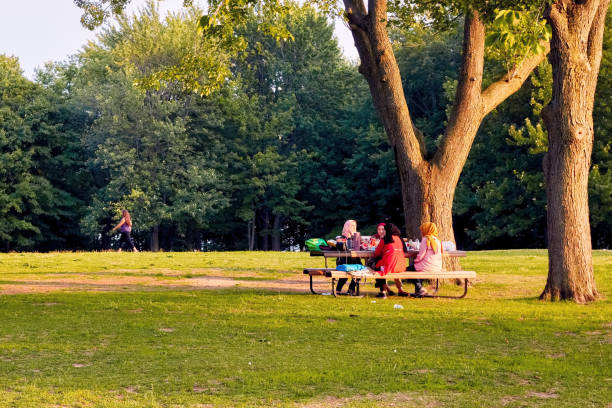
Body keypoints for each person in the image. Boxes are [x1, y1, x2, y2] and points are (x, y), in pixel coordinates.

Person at [373, 223, 410, 298]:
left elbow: (376, 253)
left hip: (390, 267)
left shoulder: (386, 239)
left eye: (384, 230)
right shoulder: (399, 238)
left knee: (376, 265)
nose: (383, 231)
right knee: (390, 262)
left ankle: (383, 291)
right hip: (401, 267)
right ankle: (400, 290)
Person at [407, 222, 443, 296]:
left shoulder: (426, 239)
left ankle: (420, 288)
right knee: (413, 269)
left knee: (408, 270)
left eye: (422, 230)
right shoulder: (438, 240)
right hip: (437, 267)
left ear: (426, 230)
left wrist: (415, 261)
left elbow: (421, 255)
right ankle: (419, 289)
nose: (421, 232)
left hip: (426, 266)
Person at [335, 219, 361, 295]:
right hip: (343, 261)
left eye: (353, 226)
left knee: (361, 268)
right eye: (348, 225)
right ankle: (338, 290)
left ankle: (351, 288)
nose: (350, 227)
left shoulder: (357, 238)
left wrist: (353, 236)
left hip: (355, 262)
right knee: (346, 268)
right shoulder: (340, 238)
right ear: (344, 227)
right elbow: (341, 247)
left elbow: (360, 248)